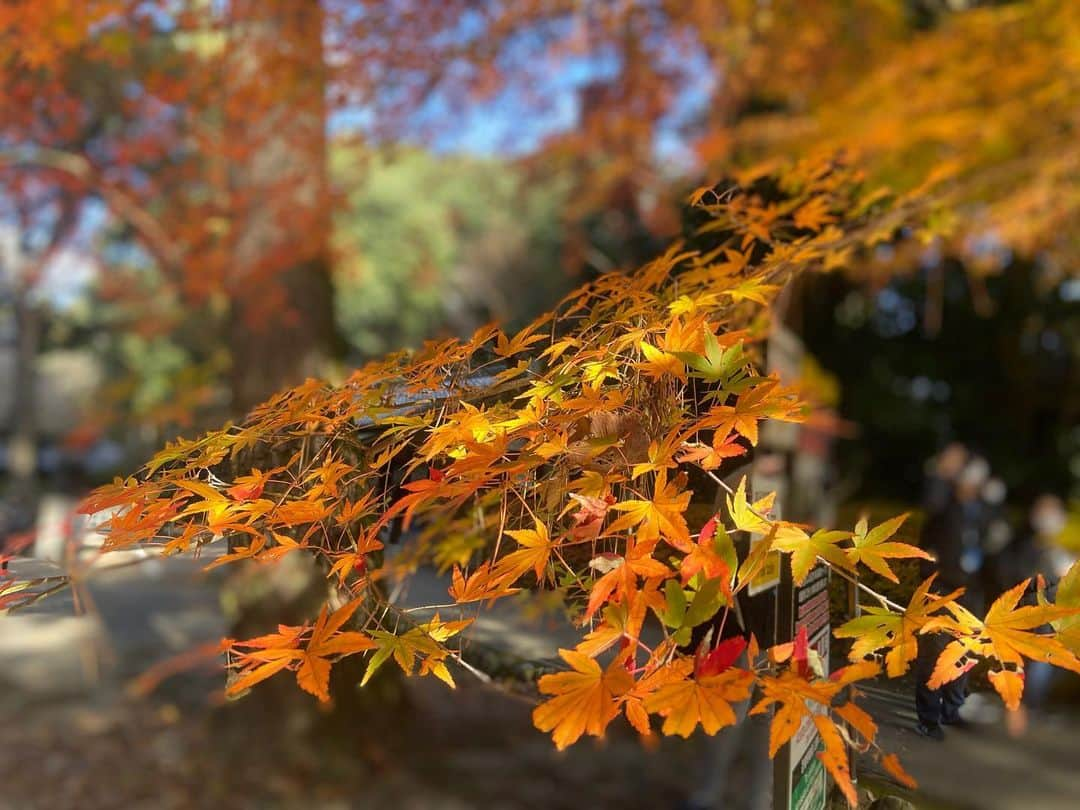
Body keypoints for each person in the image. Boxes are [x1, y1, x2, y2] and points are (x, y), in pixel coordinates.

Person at [913, 453, 990, 739]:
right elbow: (931, 498)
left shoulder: (980, 511)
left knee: (963, 654)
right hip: (940, 592)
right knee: (933, 658)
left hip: (971, 594)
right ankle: (928, 719)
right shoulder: (943, 504)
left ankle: (952, 709)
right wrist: (940, 470)